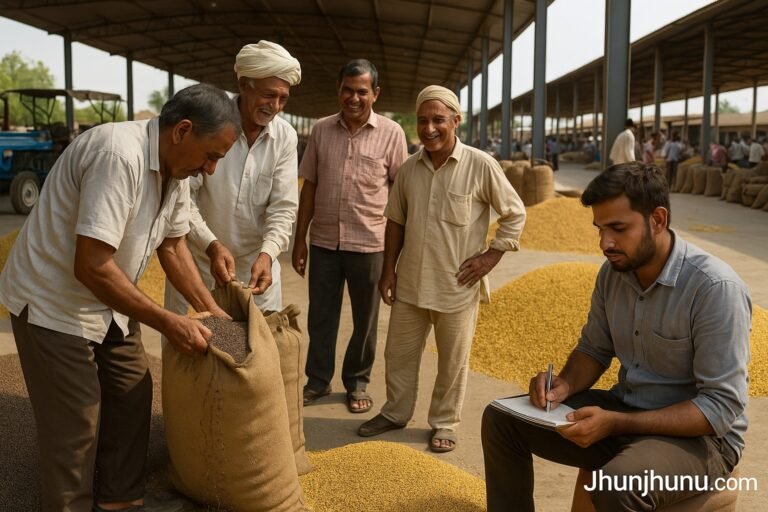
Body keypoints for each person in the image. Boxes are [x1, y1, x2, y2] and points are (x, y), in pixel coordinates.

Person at [0, 84, 241, 512]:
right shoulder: (118, 155)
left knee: (133, 393)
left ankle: (119, 501)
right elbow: (91, 265)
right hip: (55, 305)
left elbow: (173, 246)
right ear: (182, 131)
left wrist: (214, 313)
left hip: (108, 302)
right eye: (212, 156)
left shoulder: (178, 168)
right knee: (77, 424)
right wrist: (168, 320)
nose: (211, 169)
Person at [481, 162, 750, 512]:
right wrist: (562, 385)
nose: (605, 243)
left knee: (616, 486)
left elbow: (720, 408)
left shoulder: (713, 288)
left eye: (618, 228)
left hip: (702, 439)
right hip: (625, 413)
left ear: (658, 219)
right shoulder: (613, 275)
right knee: (501, 420)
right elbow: (594, 349)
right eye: (599, 228)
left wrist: (617, 423)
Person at [357, 85, 526, 452]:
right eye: (423, 120)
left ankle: (444, 423)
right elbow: (396, 221)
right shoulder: (408, 169)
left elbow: (515, 214)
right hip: (411, 284)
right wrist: (389, 271)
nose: (429, 128)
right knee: (398, 355)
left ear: (456, 121)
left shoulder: (481, 165)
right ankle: (395, 413)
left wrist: (489, 257)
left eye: (438, 120)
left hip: (456, 286)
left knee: (453, 363)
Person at [293, 59, 408, 414]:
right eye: (347, 90)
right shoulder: (322, 131)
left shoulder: (392, 133)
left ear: (375, 94)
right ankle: (317, 380)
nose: (354, 98)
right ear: (338, 90)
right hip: (325, 241)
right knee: (321, 317)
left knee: (365, 319)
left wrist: (396, 257)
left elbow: (402, 196)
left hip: (370, 243)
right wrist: (300, 240)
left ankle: (357, 382)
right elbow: (309, 186)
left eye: (362, 91)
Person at [164, 41, 300, 322]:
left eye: (283, 99)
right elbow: (183, 199)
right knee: (191, 350)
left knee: (252, 354)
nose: (274, 106)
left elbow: (283, 209)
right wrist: (212, 245)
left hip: (256, 270)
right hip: (199, 263)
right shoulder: (210, 124)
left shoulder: (285, 137)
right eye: (268, 95)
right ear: (243, 84)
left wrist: (268, 255)